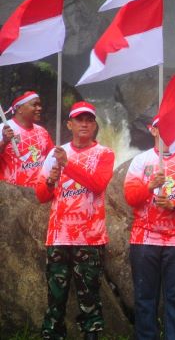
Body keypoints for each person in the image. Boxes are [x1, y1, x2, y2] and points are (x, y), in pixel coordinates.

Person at [34, 101, 115, 340]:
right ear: (69, 124)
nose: (85, 124)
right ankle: (53, 334)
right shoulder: (55, 153)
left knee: (89, 296)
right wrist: (51, 180)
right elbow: (41, 196)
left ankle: (91, 334)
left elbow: (98, 184)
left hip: (90, 238)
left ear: (94, 125)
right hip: (58, 236)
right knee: (55, 296)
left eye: (89, 119)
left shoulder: (104, 154)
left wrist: (67, 165)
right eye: (79, 119)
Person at [123, 116, 175, 340]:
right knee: (144, 298)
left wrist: (173, 205)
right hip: (144, 240)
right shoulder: (140, 161)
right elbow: (131, 197)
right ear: (152, 130)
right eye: (163, 127)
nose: (168, 130)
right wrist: (150, 186)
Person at [1, 90, 55, 187]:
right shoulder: (3, 129)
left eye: (39, 105)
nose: (39, 108)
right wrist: (4, 142)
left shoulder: (42, 131)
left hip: (39, 194)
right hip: (12, 196)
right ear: (19, 108)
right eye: (34, 105)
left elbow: (52, 160)